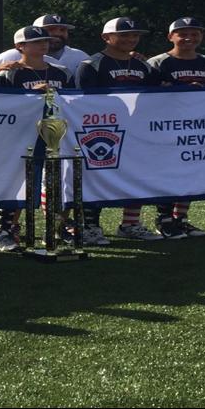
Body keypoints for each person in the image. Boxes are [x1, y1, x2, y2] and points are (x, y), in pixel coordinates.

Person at [73, 16, 166, 244]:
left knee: (138, 176)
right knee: (97, 177)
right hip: (102, 130)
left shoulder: (142, 65)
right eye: (123, 35)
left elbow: (161, 94)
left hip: (138, 131)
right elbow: (83, 101)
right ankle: (90, 226)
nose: (130, 39)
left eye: (134, 35)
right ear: (106, 37)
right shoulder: (91, 65)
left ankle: (131, 223)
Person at [0, 26, 72, 253]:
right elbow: (0, 105)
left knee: (58, 181)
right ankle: (7, 229)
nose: (43, 44)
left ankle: (56, 227)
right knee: (19, 183)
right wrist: (29, 96)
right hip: (21, 136)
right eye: (36, 41)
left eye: (45, 40)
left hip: (58, 133)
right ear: (20, 46)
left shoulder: (62, 72)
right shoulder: (10, 73)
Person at [147, 16, 205, 240]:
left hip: (197, 125)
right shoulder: (157, 62)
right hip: (166, 125)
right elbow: (149, 94)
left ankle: (181, 219)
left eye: (195, 33)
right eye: (183, 33)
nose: (189, 37)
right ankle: (164, 219)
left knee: (189, 173)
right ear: (171, 36)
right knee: (167, 173)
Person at [0, 14, 89, 72]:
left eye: (63, 30)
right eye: (51, 29)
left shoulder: (80, 56)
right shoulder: (11, 56)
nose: (57, 33)